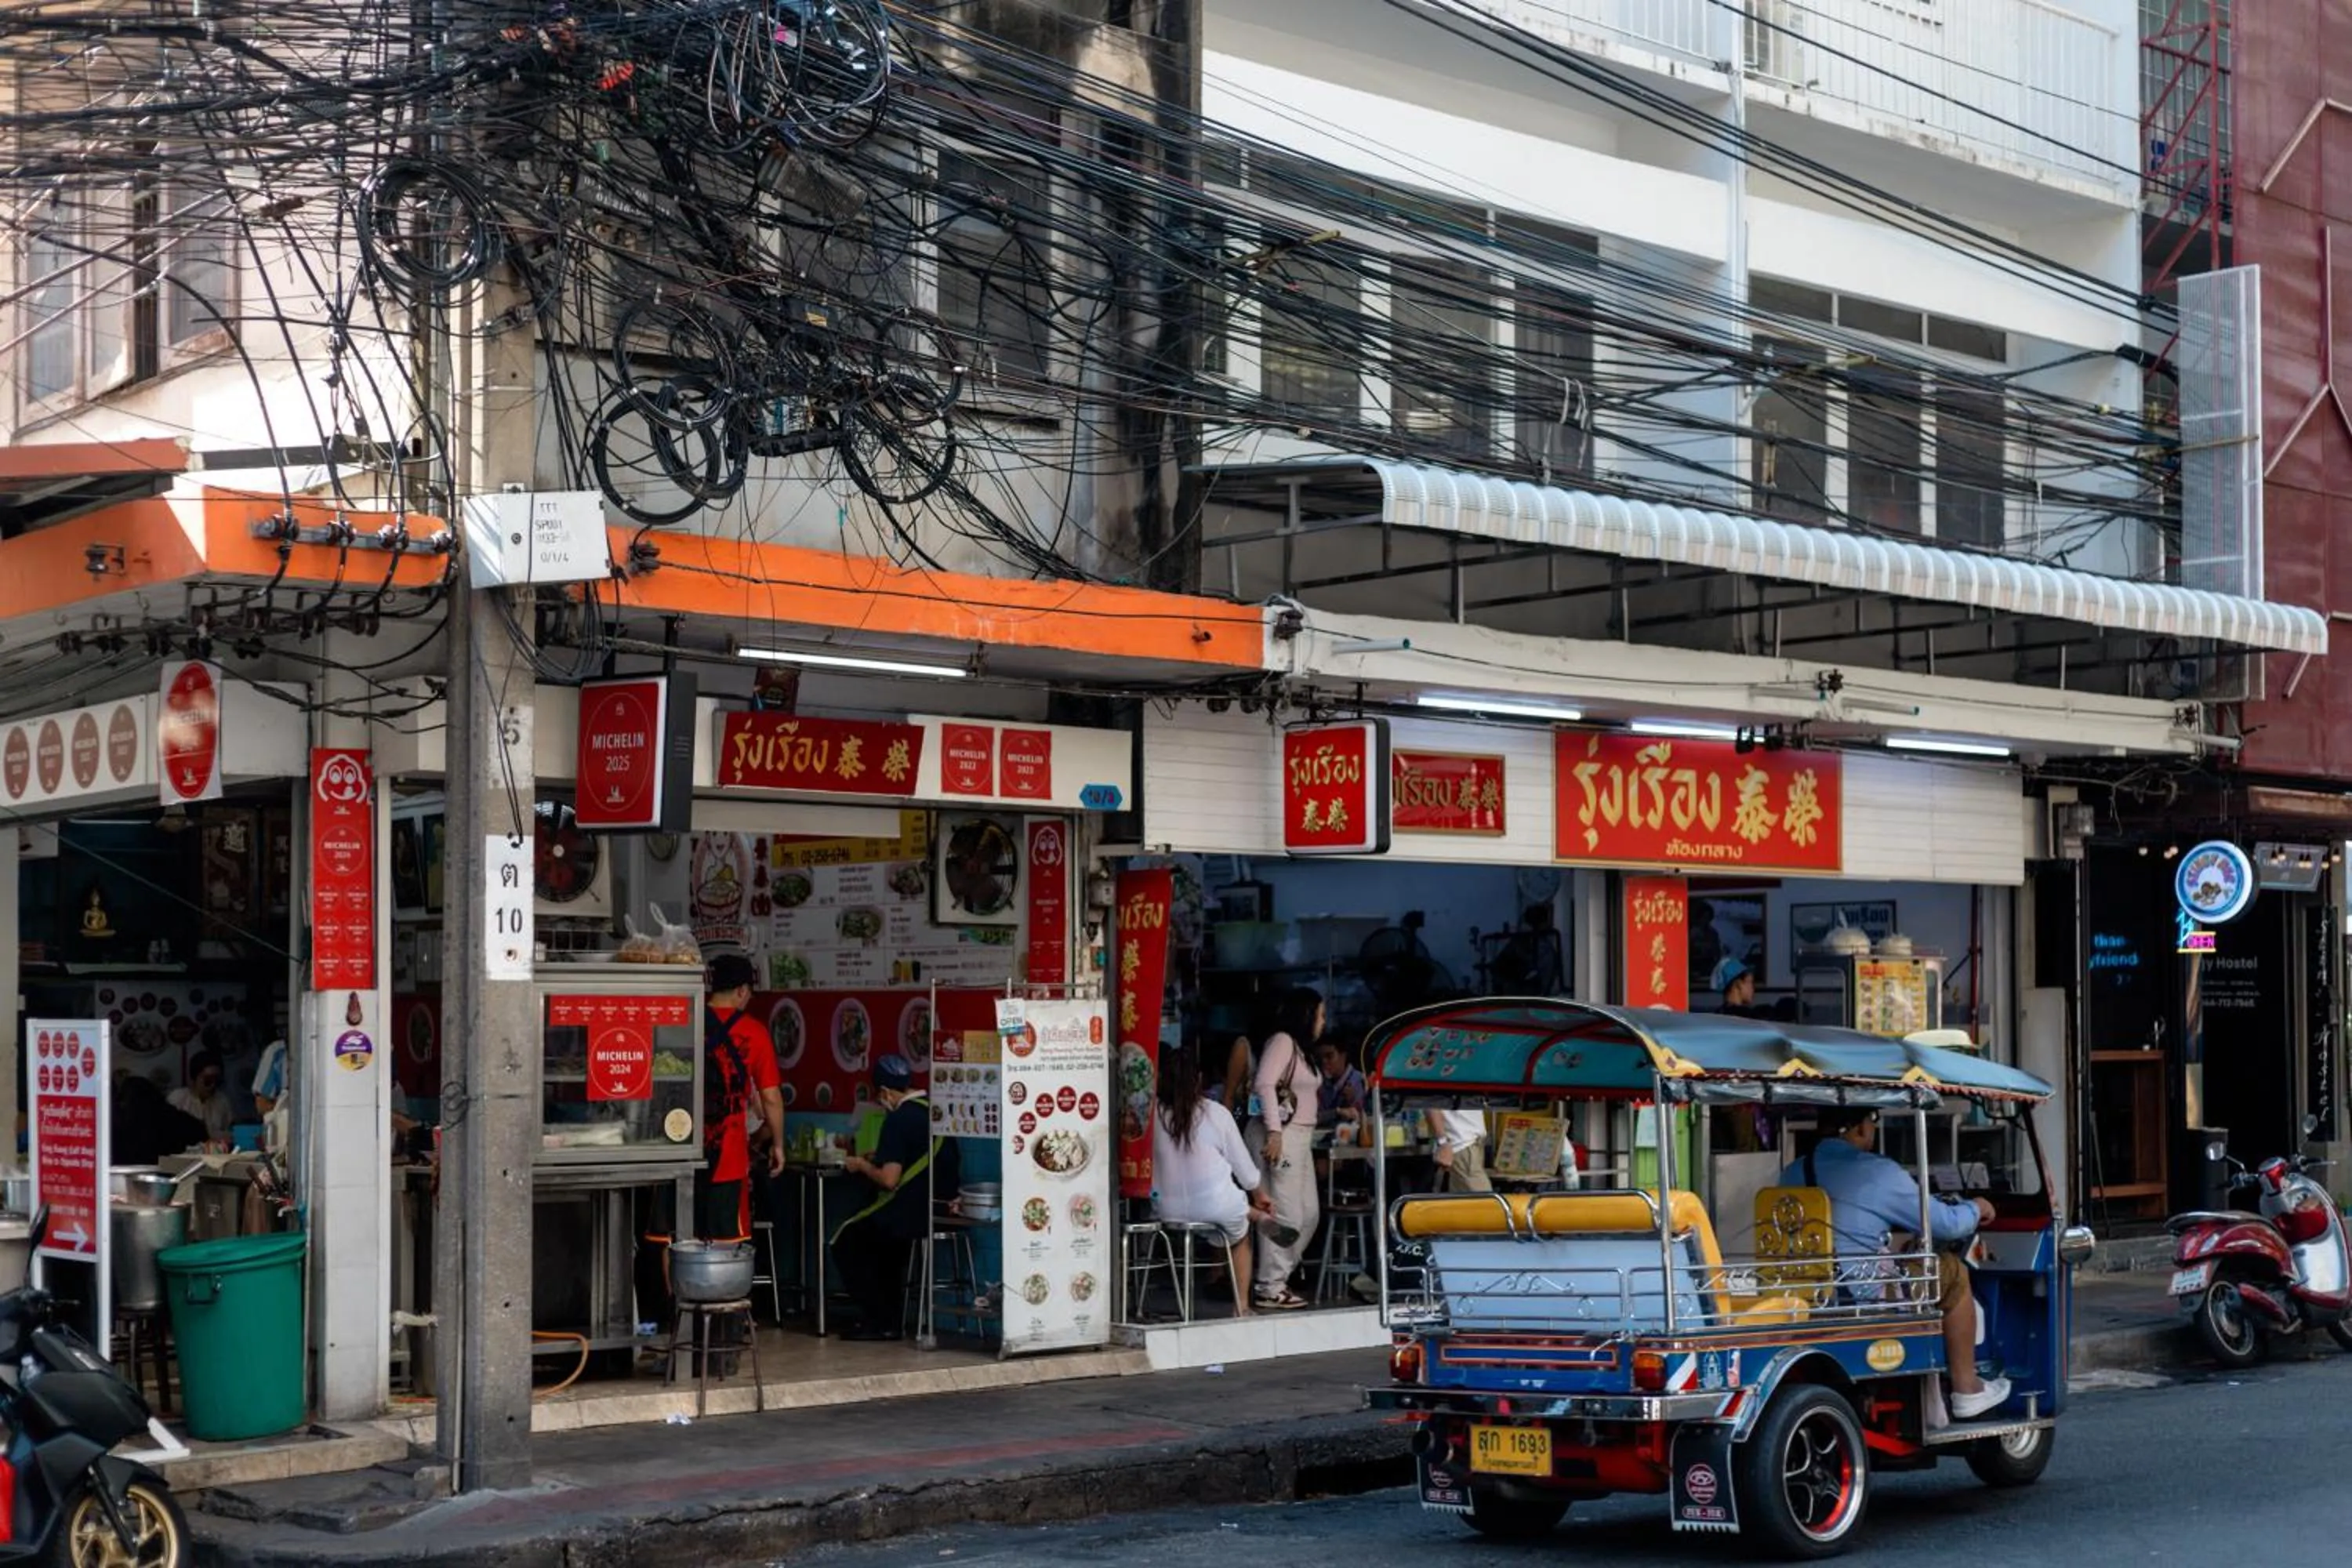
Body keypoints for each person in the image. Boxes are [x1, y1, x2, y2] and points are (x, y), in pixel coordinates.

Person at [1782, 1107, 2009, 1420]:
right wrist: (1977, 1207)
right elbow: (1946, 1224)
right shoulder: (1877, 1172)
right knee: (1952, 1271)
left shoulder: (1793, 1172)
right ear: (1861, 1129)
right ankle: (1966, 1387)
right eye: (1872, 1122)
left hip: (1808, 1296)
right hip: (1862, 1297)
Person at [832, 1055, 956, 1341]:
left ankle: (880, 1320)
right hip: (940, 1209)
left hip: (909, 1213)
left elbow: (889, 1180)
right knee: (885, 1250)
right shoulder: (934, 1112)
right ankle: (889, 1319)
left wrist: (861, 1165)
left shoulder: (898, 1119)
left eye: (880, 1096)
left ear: (886, 1092)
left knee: (846, 1240)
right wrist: (880, 1157)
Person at [1152, 1043, 1269, 1316]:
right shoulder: (1216, 1113)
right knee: (1238, 1233)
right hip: (1216, 1209)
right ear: (1200, 1080)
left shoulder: (1152, 1116)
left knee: (1226, 1209)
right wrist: (1261, 1195)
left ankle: (1250, 1212)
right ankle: (1241, 1306)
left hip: (1165, 1210)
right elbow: (1246, 1170)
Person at [700, 953, 784, 1242]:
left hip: (681, 1151)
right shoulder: (755, 1032)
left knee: (675, 1238)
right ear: (741, 991)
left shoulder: (688, 1021)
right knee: (725, 1246)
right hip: (728, 1156)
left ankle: (672, 1290)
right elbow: (771, 1098)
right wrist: (779, 1144)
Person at [1250, 988, 1323, 1311]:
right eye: (1320, 1014)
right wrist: (1275, 1132)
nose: (1323, 1021)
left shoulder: (1304, 1051)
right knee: (1287, 1213)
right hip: (1285, 1135)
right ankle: (1270, 1285)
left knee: (1309, 1214)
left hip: (1302, 1136)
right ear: (1306, 1015)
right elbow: (1264, 1083)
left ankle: (1276, 1277)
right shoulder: (1282, 1042)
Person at [168, 1050, 234, 1142]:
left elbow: (229, 1133)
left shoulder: (222, 1101)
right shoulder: (178, 1099)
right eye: (208, 1080)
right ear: (194, 1079)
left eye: (217, 1081)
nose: (213, 1085)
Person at [1427, 1106, 1490, 1192]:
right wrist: (1443, 1142)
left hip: (1471, 1143)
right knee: (1485, 1201)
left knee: (1463, 1201)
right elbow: (1432, 1105)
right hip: (1461, 1144)